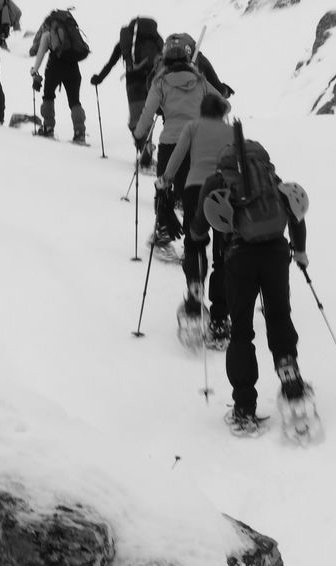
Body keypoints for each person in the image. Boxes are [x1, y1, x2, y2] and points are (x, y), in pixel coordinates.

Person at [195, 131, 311, 437]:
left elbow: (198, 225)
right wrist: (299, 251)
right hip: (275, 253)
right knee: (278, 316)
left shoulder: (218, 181)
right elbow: (296, 214)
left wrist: (198, 239)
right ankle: (289, 372)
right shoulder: (272, 179)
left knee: (242, 331)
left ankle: (244, 406)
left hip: (238, 257)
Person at [132, 33, 219, 249]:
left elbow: (148, 112)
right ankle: (193, 241)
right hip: (196, 143)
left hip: (170, 143)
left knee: (164, 186)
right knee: (191, 193)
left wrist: (139, 133)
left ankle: (163, 232)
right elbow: (222, 102)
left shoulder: (160, 81)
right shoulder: (200, 81)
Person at [159, 91, 234, 335]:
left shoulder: (192, 126)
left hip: (195, 190)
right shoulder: (230, 131)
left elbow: (178, 155)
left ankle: (194, 287)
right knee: (223, 251)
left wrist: (166, 180)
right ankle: (221, 315)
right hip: (224, 191)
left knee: (195, 242)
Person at [89, 16, 163, 167]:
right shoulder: (154, 41)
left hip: (134, 82)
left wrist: (99, 78)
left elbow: (111, 63)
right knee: (148, 116)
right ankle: (147, 148)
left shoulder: (126, 45)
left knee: (136, 119)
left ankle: (144, 150)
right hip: (153, 82)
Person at [30, 9, 88, 143]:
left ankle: (48, 128)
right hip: (73, 66)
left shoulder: (48, 34)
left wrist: (34, 70)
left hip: (55, 66)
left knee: (48, 96)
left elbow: (40, 54)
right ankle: (80, 133)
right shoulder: (71, 32)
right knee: (74, 101)